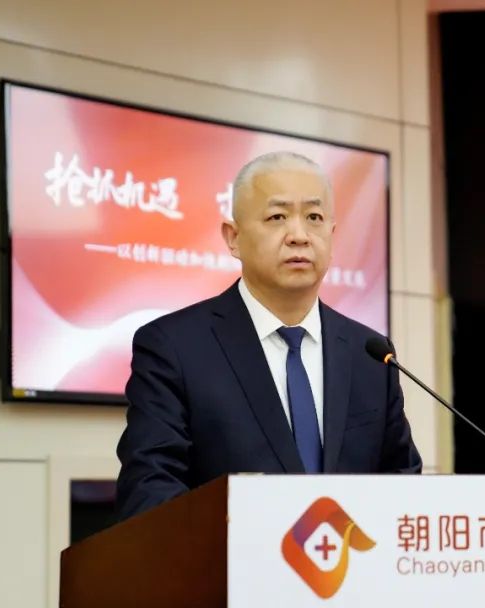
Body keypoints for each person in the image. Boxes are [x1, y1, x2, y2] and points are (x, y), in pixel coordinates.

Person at [116, 151, 421, 520]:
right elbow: (150, 490)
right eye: (277, 217)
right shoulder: (173, 347)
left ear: (332, 234)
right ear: (233, 238)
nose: (299, 236)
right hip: (227, 556)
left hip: (350, 556)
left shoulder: (370, 354)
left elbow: (403, 483)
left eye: (314, 217)